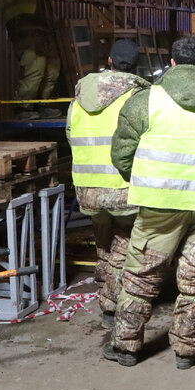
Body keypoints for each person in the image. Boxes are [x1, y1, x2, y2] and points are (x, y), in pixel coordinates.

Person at [105, 35, 195, 369]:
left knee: (141, 277)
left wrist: (143, 179)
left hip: (159, 204)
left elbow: (122, 154)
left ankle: (126, 347)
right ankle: (187, 351)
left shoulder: (145, 102)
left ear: (172, 63)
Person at [66, 39, 149, 327]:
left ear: (110, 61)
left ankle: (104, 287)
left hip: (86, 187)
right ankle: (111, 306)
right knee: (124, 246)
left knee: (103, 243)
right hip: (122, 187)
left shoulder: (80, 96)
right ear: (136, 66)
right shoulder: (138, 98)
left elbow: (69, 134)